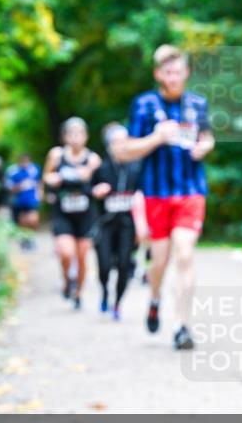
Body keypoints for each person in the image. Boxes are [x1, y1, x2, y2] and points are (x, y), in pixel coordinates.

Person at [114, 44, 215, 350]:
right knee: (159, 261)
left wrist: (204, 147)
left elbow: (207, 136)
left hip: (190, 191)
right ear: (159, 74)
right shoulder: (144, 105)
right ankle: (155, 297)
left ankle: (182, 326)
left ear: (186, 73)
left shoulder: (198, 104)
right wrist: (157, 137)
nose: (173, 76)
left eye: (178, 71)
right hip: (156, 192)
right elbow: (127, 150)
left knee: (185, 254)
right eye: (167, 71)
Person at [43, 117, 101, 310]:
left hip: (85, 213)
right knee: (67, 253)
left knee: (83, 254)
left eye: (80, 133)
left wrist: (92, 181)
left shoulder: (93, 159)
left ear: (86, 136)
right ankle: (68, 280)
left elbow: (100, 182)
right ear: (65, 136)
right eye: (72, 133)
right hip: (63, 211)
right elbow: (46, 177)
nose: (76, 137)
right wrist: (53, 180)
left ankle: (78, 293)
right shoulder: (56, 155)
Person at [91, 122, 144, 320]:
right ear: (109, 145)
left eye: (125, 141)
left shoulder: (137, 168)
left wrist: (142, 227)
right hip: (105, 224)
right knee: (104, 265)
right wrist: (95, 192)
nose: (121, 145)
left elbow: (144, 197)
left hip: (127, 225)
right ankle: (105, 291)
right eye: (116, 142)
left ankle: (118, 304)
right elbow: (88, 192)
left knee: (124, 265)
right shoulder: (101, 169)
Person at [4, 153, 41, 250]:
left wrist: (40, 194)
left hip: (31, 200)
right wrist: (20, 186)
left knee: (33, 219)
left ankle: (31, 238)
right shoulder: (12, 171)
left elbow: (39, 182)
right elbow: (9, 187)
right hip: (18, 201)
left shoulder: (35, 169)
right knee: (22, 222)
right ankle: (25, 240)